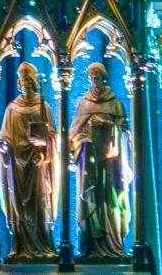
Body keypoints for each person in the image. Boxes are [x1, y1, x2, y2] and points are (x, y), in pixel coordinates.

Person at [0, 64, 58, 255]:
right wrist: (3, 145)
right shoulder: (12, 108)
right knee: (19, 203)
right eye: (22, 80)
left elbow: (52, 135)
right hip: (17, 163)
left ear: (33, 81)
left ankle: (43, 243)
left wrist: (45, 142)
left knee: (39, 201)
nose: (25, 83)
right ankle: (20, 245)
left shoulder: (43, 106)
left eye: (28, 80)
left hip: (37, 161)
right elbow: (5, 135)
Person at [71, 65, 130, 255]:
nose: (94, 79)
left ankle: (113, 243)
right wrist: (83, 140)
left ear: (104, 77)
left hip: (111, 162)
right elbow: (73, 135)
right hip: (89, 161)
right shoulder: (83, 104)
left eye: (97, 76)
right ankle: (90, 244)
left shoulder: (115, 104)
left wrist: (106, 124)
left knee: (111, 199)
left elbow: (124, 133)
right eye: (91, 77)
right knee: (91, 199)